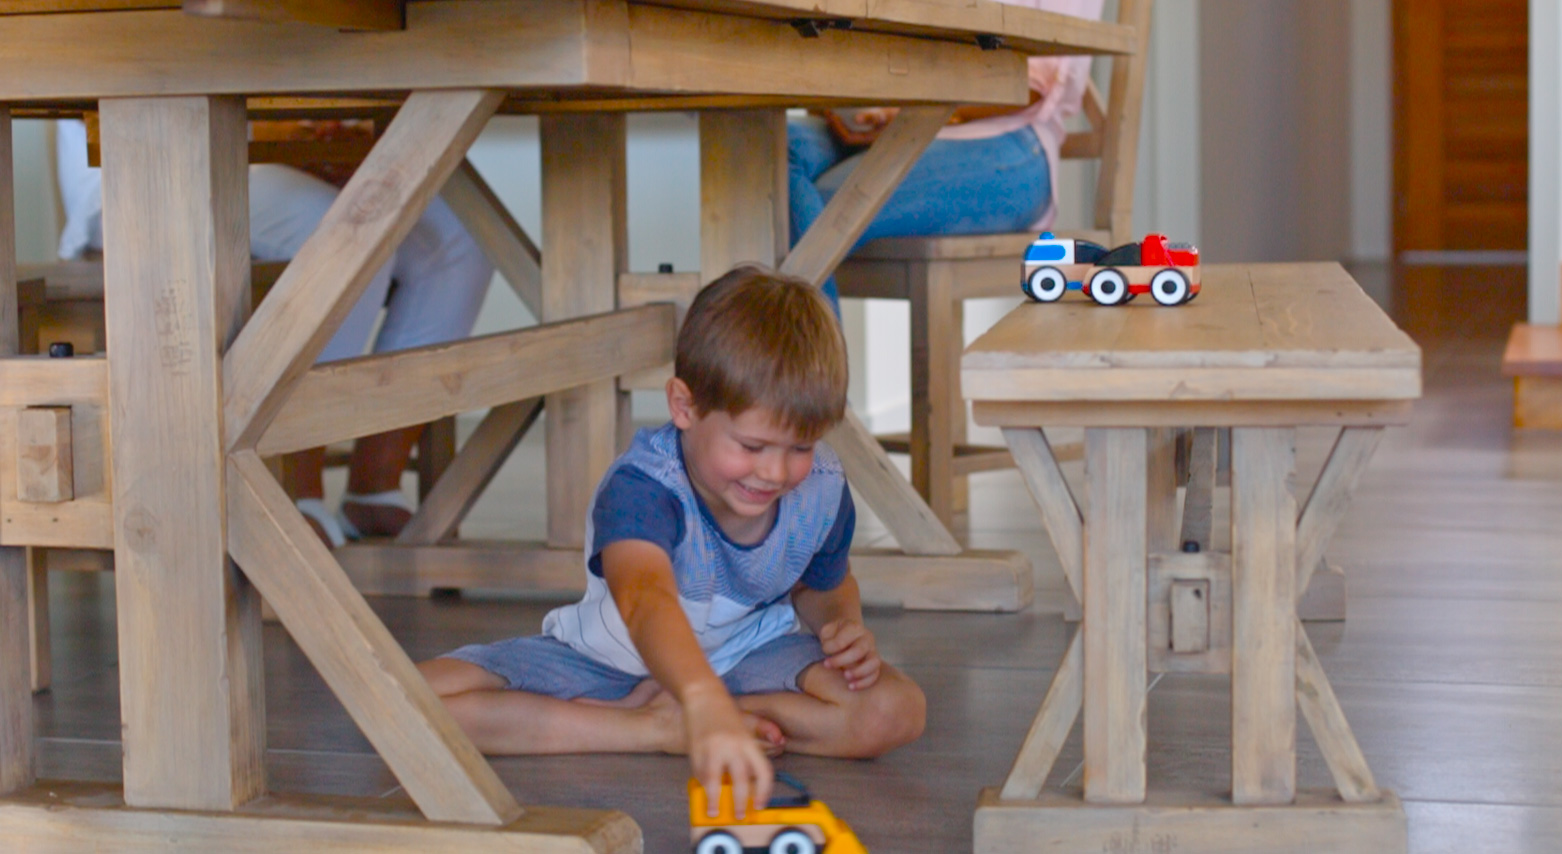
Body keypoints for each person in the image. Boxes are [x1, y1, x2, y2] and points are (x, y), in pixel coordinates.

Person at [417, 267, 926, 815]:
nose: (776, 471)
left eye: (800, 446)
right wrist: (696, 698)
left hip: (748, 653)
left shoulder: (823, 488)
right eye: (753, 445)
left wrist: (839, 626)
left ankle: (714, 719)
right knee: (411, 699)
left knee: (897, 709)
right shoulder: (642, 489)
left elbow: (823, 581)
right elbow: (646, 601)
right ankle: (651, 728)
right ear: (684, 407)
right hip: (617, 661)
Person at [54, 118, 495, 545]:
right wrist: (288, 141)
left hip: (265, 153)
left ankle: (374, 485)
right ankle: (292, 489)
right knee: (348, 233)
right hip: (141, 163)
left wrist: (327, 143)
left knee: (461, 242)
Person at [789, 0, 1105, 306]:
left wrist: (903, 112)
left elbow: (1035, 81)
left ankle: (812, 360)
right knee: (769, 150)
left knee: (811, 213)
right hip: (899, 117)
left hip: (1012, 142)